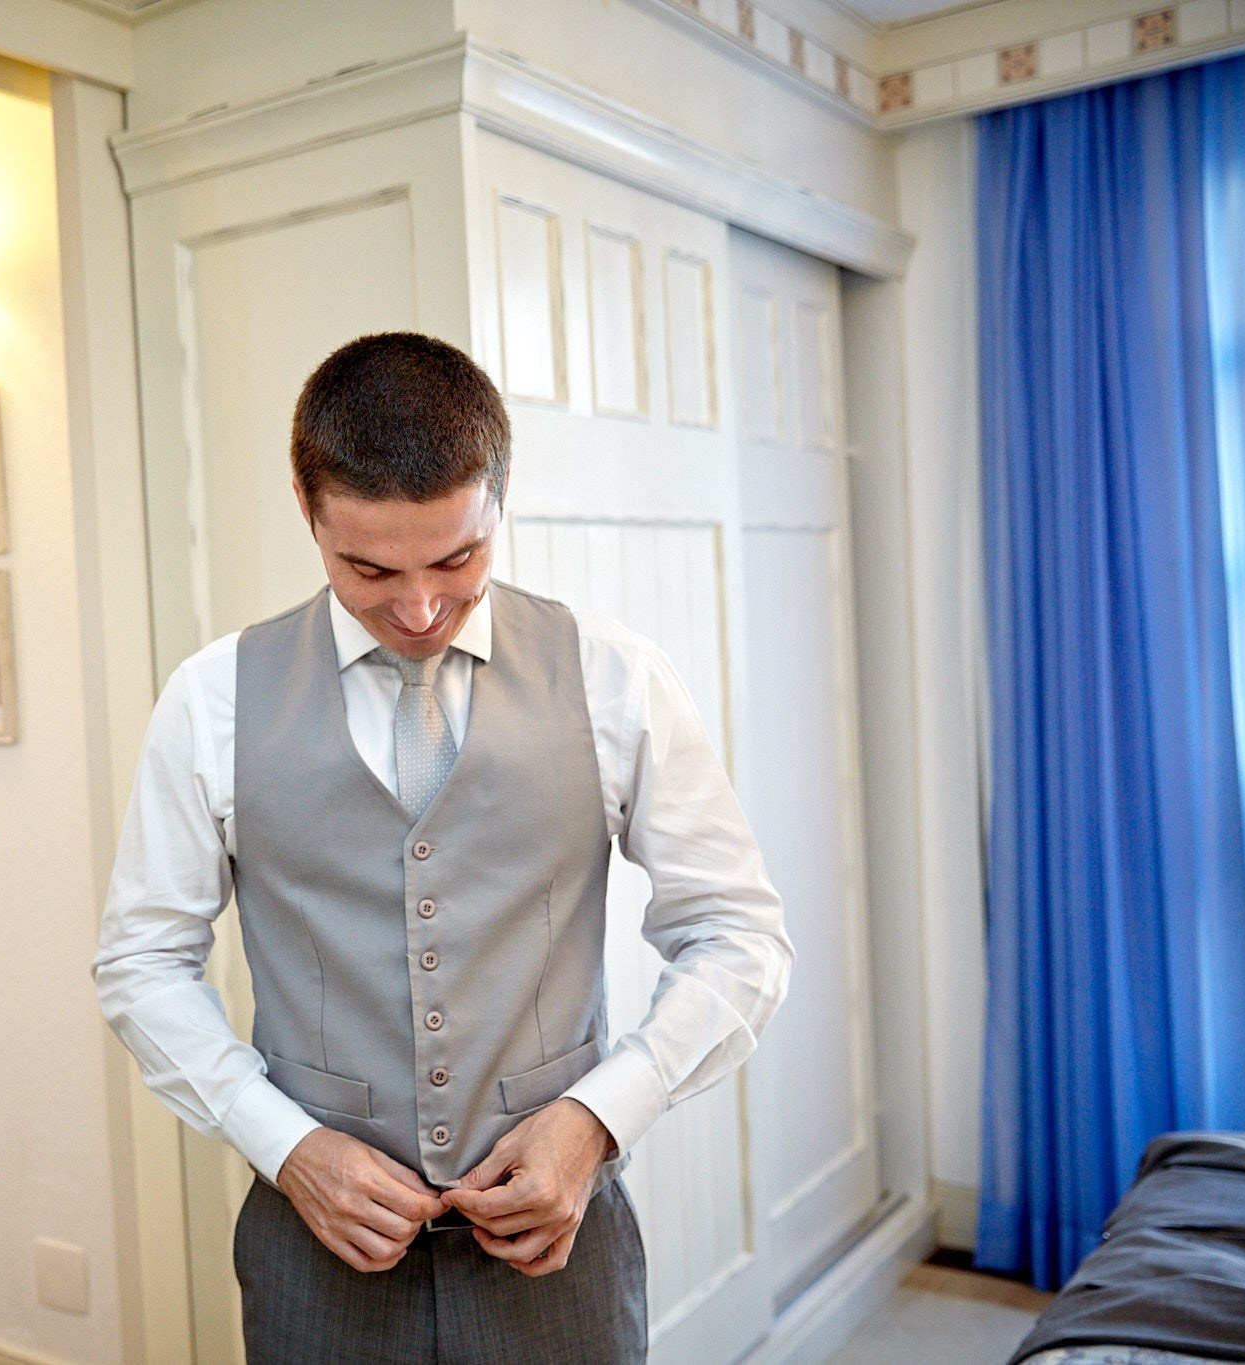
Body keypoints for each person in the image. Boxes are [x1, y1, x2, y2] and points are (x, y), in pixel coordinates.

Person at [94, 333, 792, 1362]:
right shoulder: (210, 700)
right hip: (314, 1259)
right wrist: (285, 1147)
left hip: (560, 1255)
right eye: (367, 567)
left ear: (497, 499)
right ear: (305, 504)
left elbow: (738, 935)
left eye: (456, 560)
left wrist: (596, 1120)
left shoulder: (611, 677)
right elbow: (140, 962)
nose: (416, 608)